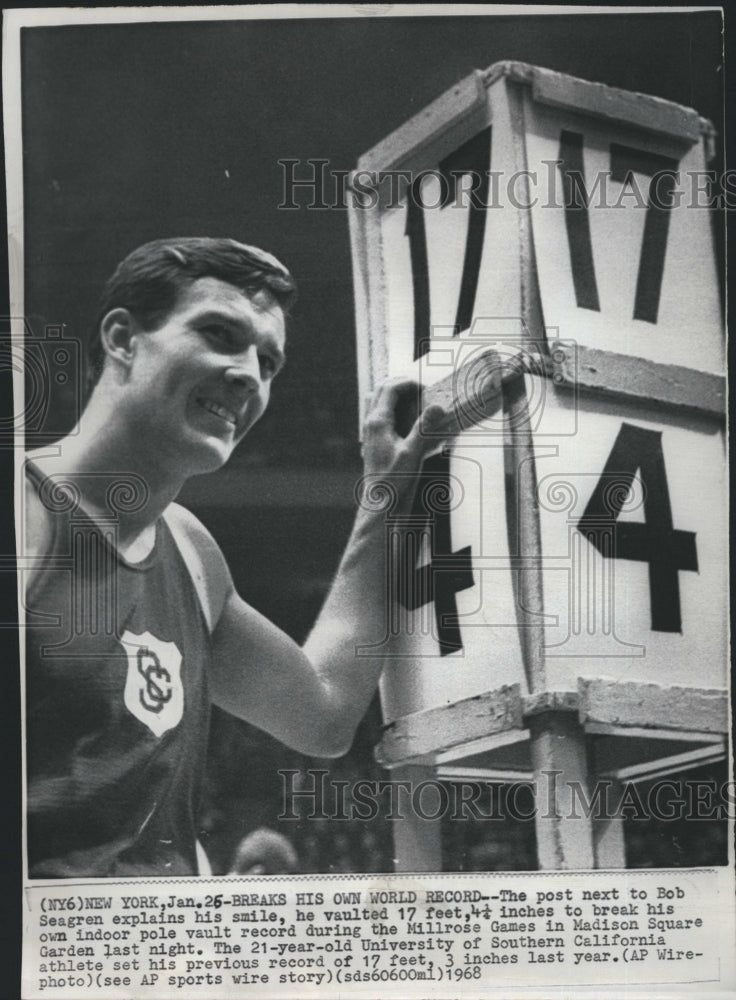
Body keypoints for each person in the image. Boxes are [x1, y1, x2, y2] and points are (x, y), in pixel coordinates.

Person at [24, 237, 446, 878]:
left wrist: (383, 495)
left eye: (268, 362)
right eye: (219, 333)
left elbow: (325, 713)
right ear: (122, 338)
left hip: (170, 963)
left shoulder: (191, 553)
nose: (250, 373)